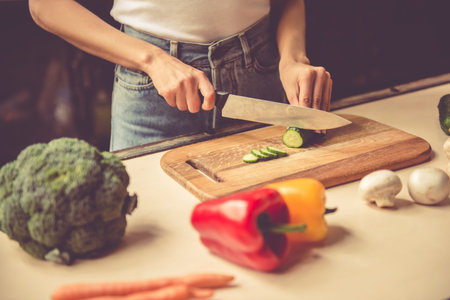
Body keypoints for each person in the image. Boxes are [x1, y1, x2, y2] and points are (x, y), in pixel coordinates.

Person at [28, 0, 332, 151]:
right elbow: (45, 6)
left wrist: (292, 59)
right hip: (152, 90)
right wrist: (153, 60)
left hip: (260, 78)